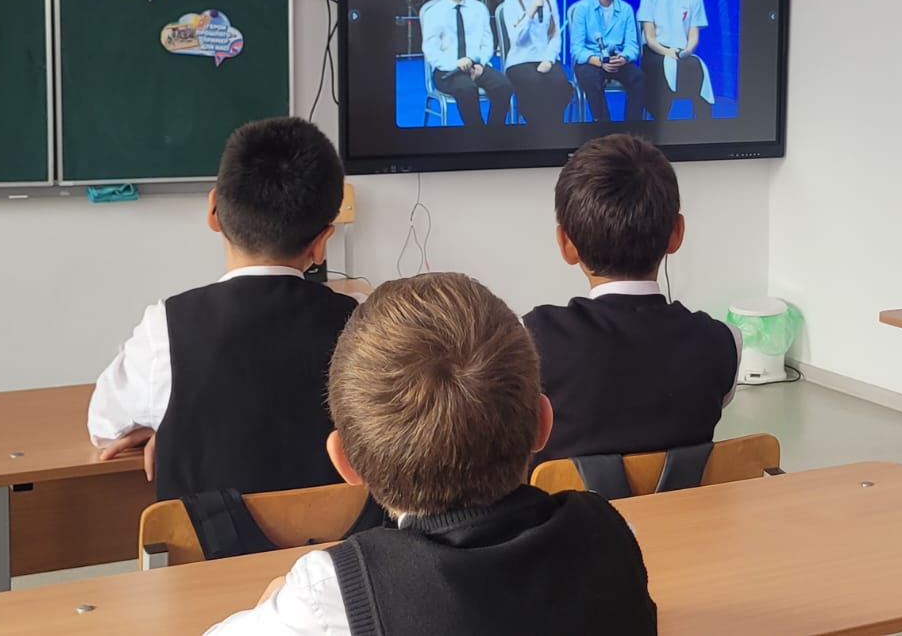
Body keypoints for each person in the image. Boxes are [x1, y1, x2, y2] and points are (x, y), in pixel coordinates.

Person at [205, 272, 659, 636]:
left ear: (346, 462)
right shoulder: (612, 535)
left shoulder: (334, 594)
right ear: (543, 423)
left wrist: (277, 602)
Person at [87, 117, 360, 501]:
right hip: (342, 538)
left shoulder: (167, 327)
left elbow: (104, 427)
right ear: (322, 243)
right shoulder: (364, 324)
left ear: (213, 210)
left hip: (208, 540)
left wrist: (168, 427)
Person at [524, 133, 740, 465]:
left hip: (569, 503)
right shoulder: (726, 342)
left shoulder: (529, 343)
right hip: (686, 502)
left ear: (566, 243)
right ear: (676, 234)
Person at [419, 0, 513, 127]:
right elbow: (431, 51)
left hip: (477, 65)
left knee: (504, 86)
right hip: (447, 70)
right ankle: (477, 134)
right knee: (466, 89)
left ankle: (494, 132)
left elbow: (487, 43)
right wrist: (455, 64)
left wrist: (480, 63)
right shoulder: (434, 13)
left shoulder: (479, 9)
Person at [637, 0, 714, 121]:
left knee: (698, 68)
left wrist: (686, 51)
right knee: (663, 70)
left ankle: (705, 128)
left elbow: (693, 36)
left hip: (682, 53)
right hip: (655, 52)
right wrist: (668, 53)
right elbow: (649, 38)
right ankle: (660, 127)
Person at [496, 0, 574, 125]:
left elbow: (555, 36)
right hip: (520, 61)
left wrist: (549, 59)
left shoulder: (550, 0)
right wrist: (530, 13)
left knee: (560, 85)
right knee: (535, 85)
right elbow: (516, 39)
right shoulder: (511, 2)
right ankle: (539, 130)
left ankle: (554, 130)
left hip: (545, 59)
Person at [566, 0, 645, 122]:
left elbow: (632, 47)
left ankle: (631, 130)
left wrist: (623, 58)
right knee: (591, 79)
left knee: (638, 79)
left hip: (618, 61)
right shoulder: (582, 9)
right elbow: (577, 50)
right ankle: (604, 130)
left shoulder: (626, 9)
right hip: (592, 61)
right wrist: (600, 62)